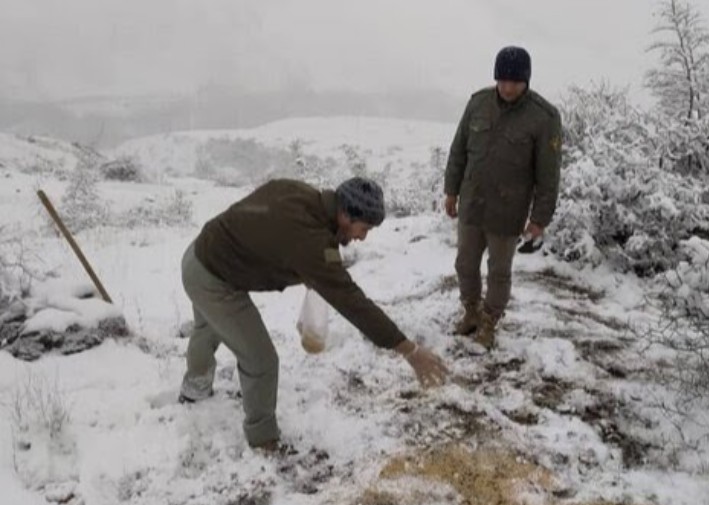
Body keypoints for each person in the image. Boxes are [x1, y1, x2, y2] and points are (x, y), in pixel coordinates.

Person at [179, 177, 449, 451]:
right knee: (261, 360)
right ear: (345, 214)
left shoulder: (302, 194)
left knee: (208, 326)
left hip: (201, 252)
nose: (362, 237)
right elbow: (353, 302)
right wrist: (409, 350)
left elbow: (276, 225)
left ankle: (194, 389)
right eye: (363, 228)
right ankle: (263, 441)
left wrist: (302, 268)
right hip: (214, 279)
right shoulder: (311, 240)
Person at [444, 45, 563, 349]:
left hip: (507, 210)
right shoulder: (478, 104)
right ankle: (470, 311)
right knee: (465, 264)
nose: (508, 87)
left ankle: (489, 321)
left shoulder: (544, 117)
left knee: (499, 271)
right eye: (503, 80)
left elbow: (548, 175)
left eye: (515, 81)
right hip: (472, 202)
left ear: (526, 80)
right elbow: (459, 150)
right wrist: (451, 190)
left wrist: (539, 219)